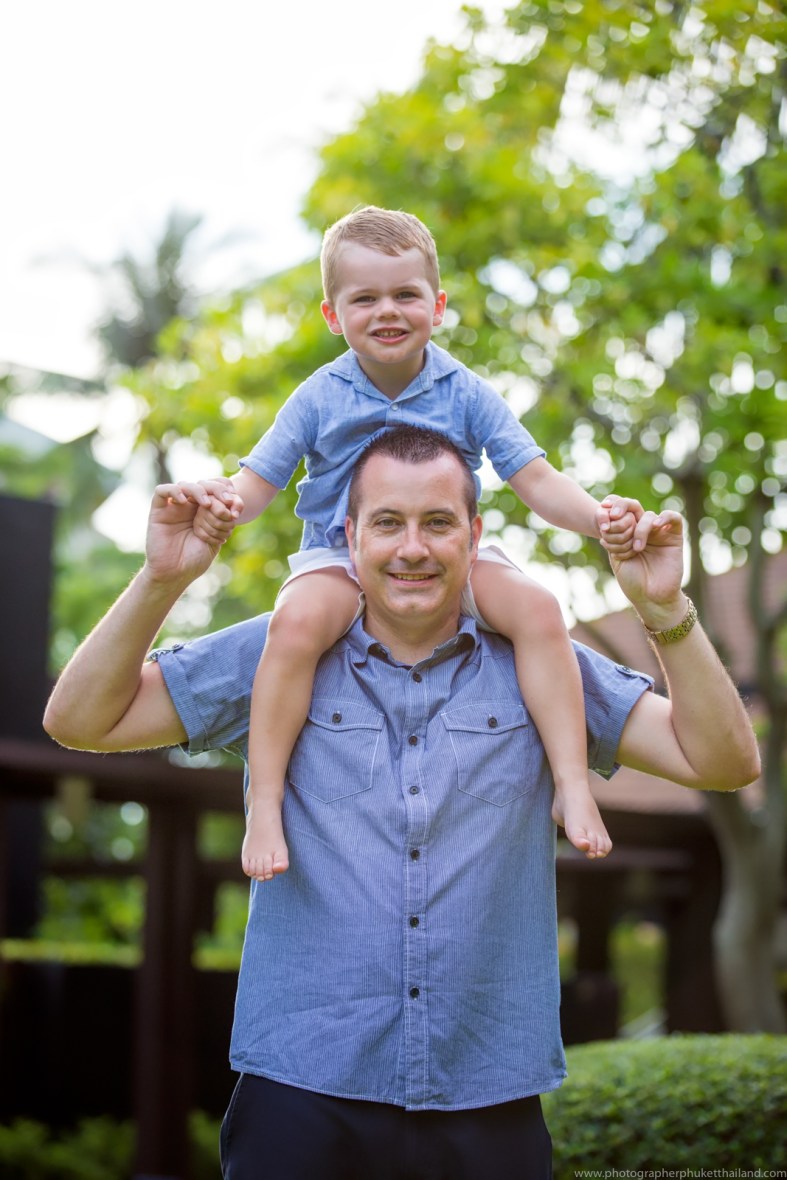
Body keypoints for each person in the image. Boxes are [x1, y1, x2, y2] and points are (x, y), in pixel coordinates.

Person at [44, 425, 760, 1180]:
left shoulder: (544, 667)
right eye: (388, 522)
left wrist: (664, 607)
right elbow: (80, 720)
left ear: (474, 536)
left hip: (488, 1096)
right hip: (302, 1091)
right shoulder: (279, 653)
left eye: (437, 522)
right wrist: (162, 579)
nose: (412, 548)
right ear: (349, 536)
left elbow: (722, 762)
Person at [175, 205, 649, 882]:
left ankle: (572, 783)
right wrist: (216, 501)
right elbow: (256, 484)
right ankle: (266, 801)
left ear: (438, 305)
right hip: (339, 557)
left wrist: (601, 520)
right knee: (295, 623)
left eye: (405, 294)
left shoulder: (466, 392)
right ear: (332, 315)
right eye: (364, 298)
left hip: (443, 560)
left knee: (539, 608)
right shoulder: (318, 396)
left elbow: (536, 480)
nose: (387, 311)